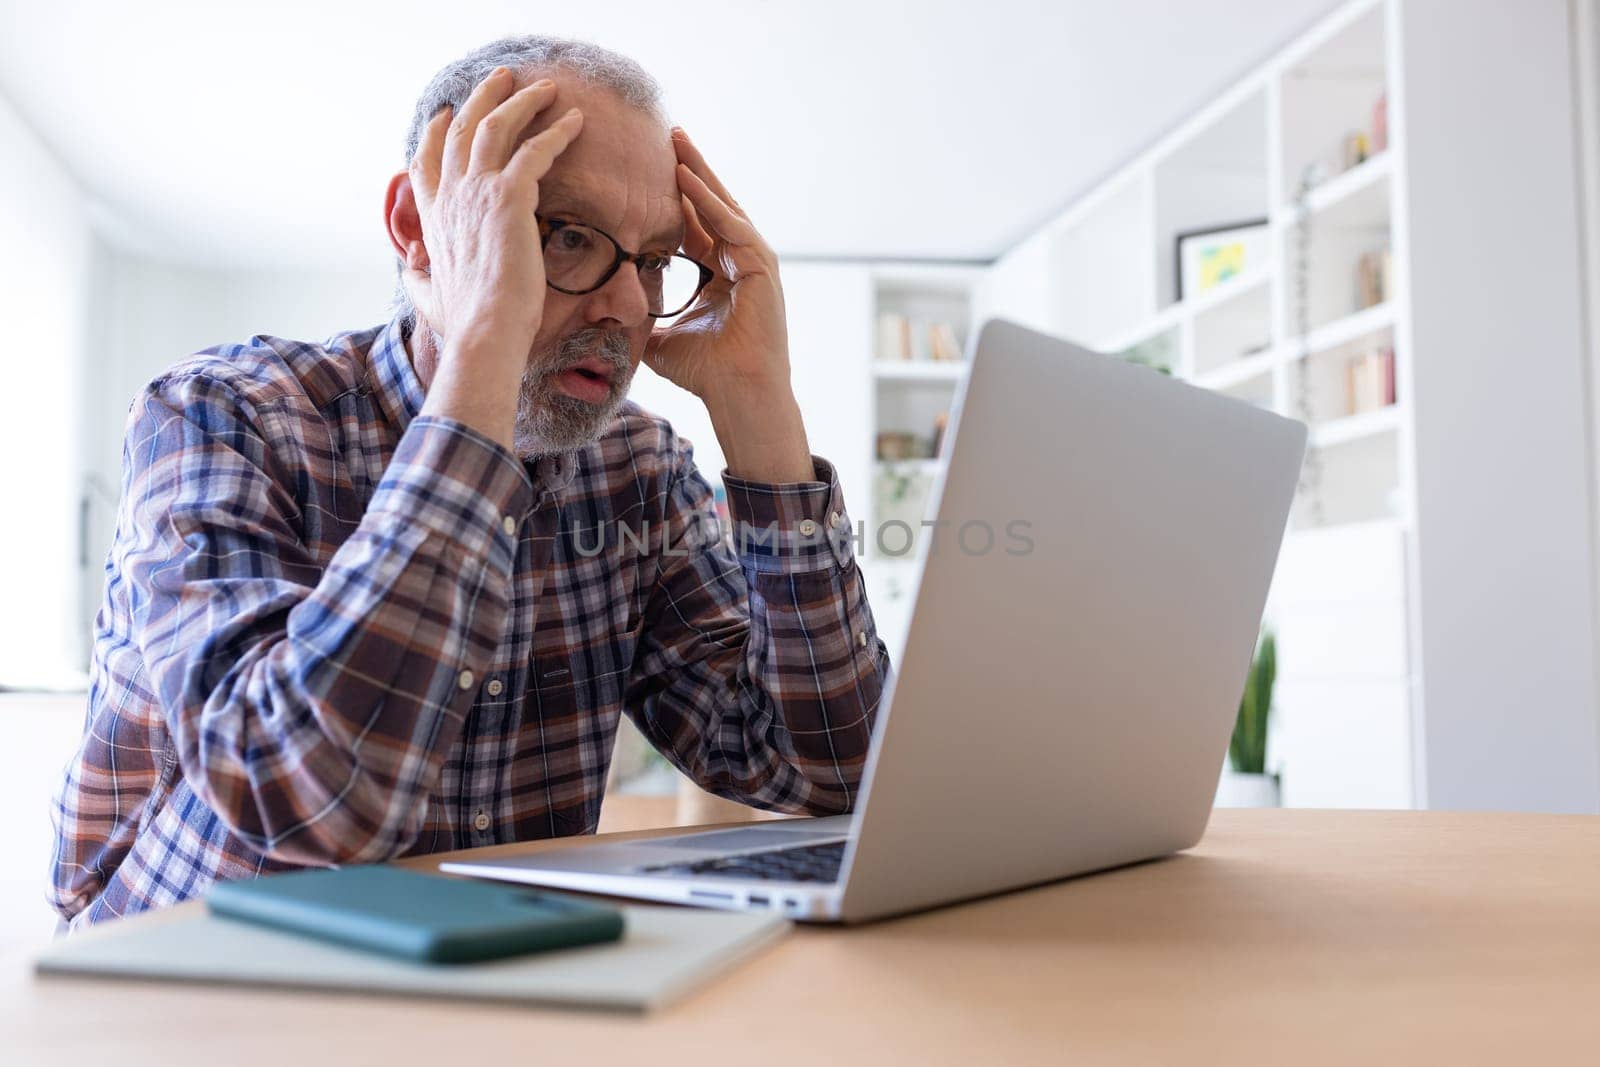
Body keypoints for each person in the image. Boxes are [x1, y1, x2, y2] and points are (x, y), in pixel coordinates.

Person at [49, 35, 889, 928]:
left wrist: (761, 415)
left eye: (652, 261)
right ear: (418, 228)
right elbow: (299, 794)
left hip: (496, 969)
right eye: (568, 235)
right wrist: (486, 343)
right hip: (193, 974)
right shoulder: (224, 414)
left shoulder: (639, 471)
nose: (630, 308)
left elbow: (827, 770)